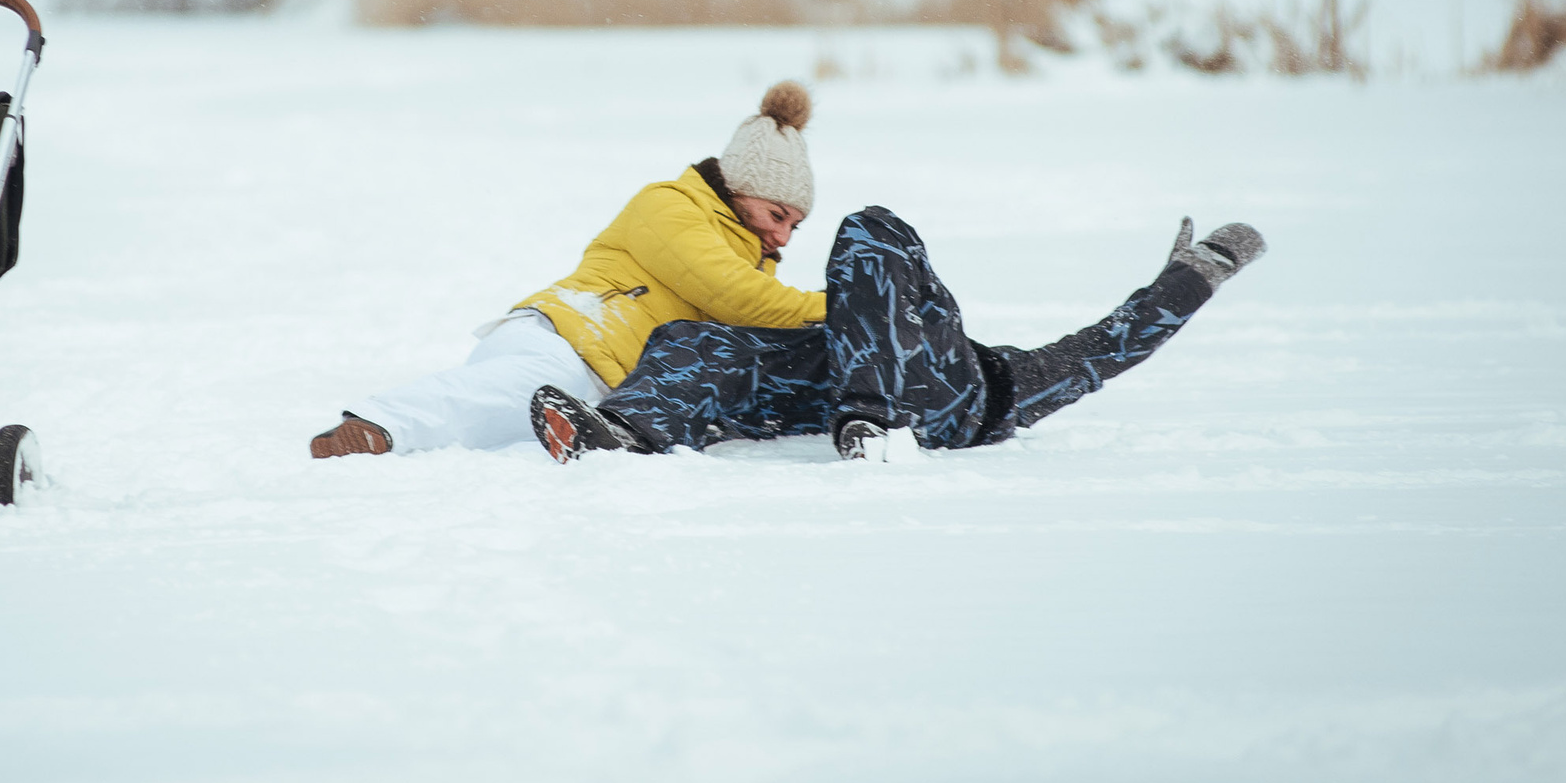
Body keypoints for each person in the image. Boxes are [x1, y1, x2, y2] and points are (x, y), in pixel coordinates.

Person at [310, 83, 826, 457]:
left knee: (500, 431)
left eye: (794, 228)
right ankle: (377, 424)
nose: (782, 237)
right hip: (563, 338)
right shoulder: (669, 207)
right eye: (776, 215)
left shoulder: (753, 260)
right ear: (738, 189)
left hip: (600, 388)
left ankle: (395, 439)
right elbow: (737, 298)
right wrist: (850, 305)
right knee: (524, 387)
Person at [529, 209, 1266, 463]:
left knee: (872, 227)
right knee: (686, 338)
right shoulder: (818, 346)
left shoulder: (989, 381)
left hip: (922, 401)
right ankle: (622, 433)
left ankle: (878, 422)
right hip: (824, 390)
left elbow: (1104, 346)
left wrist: (1199, 273)